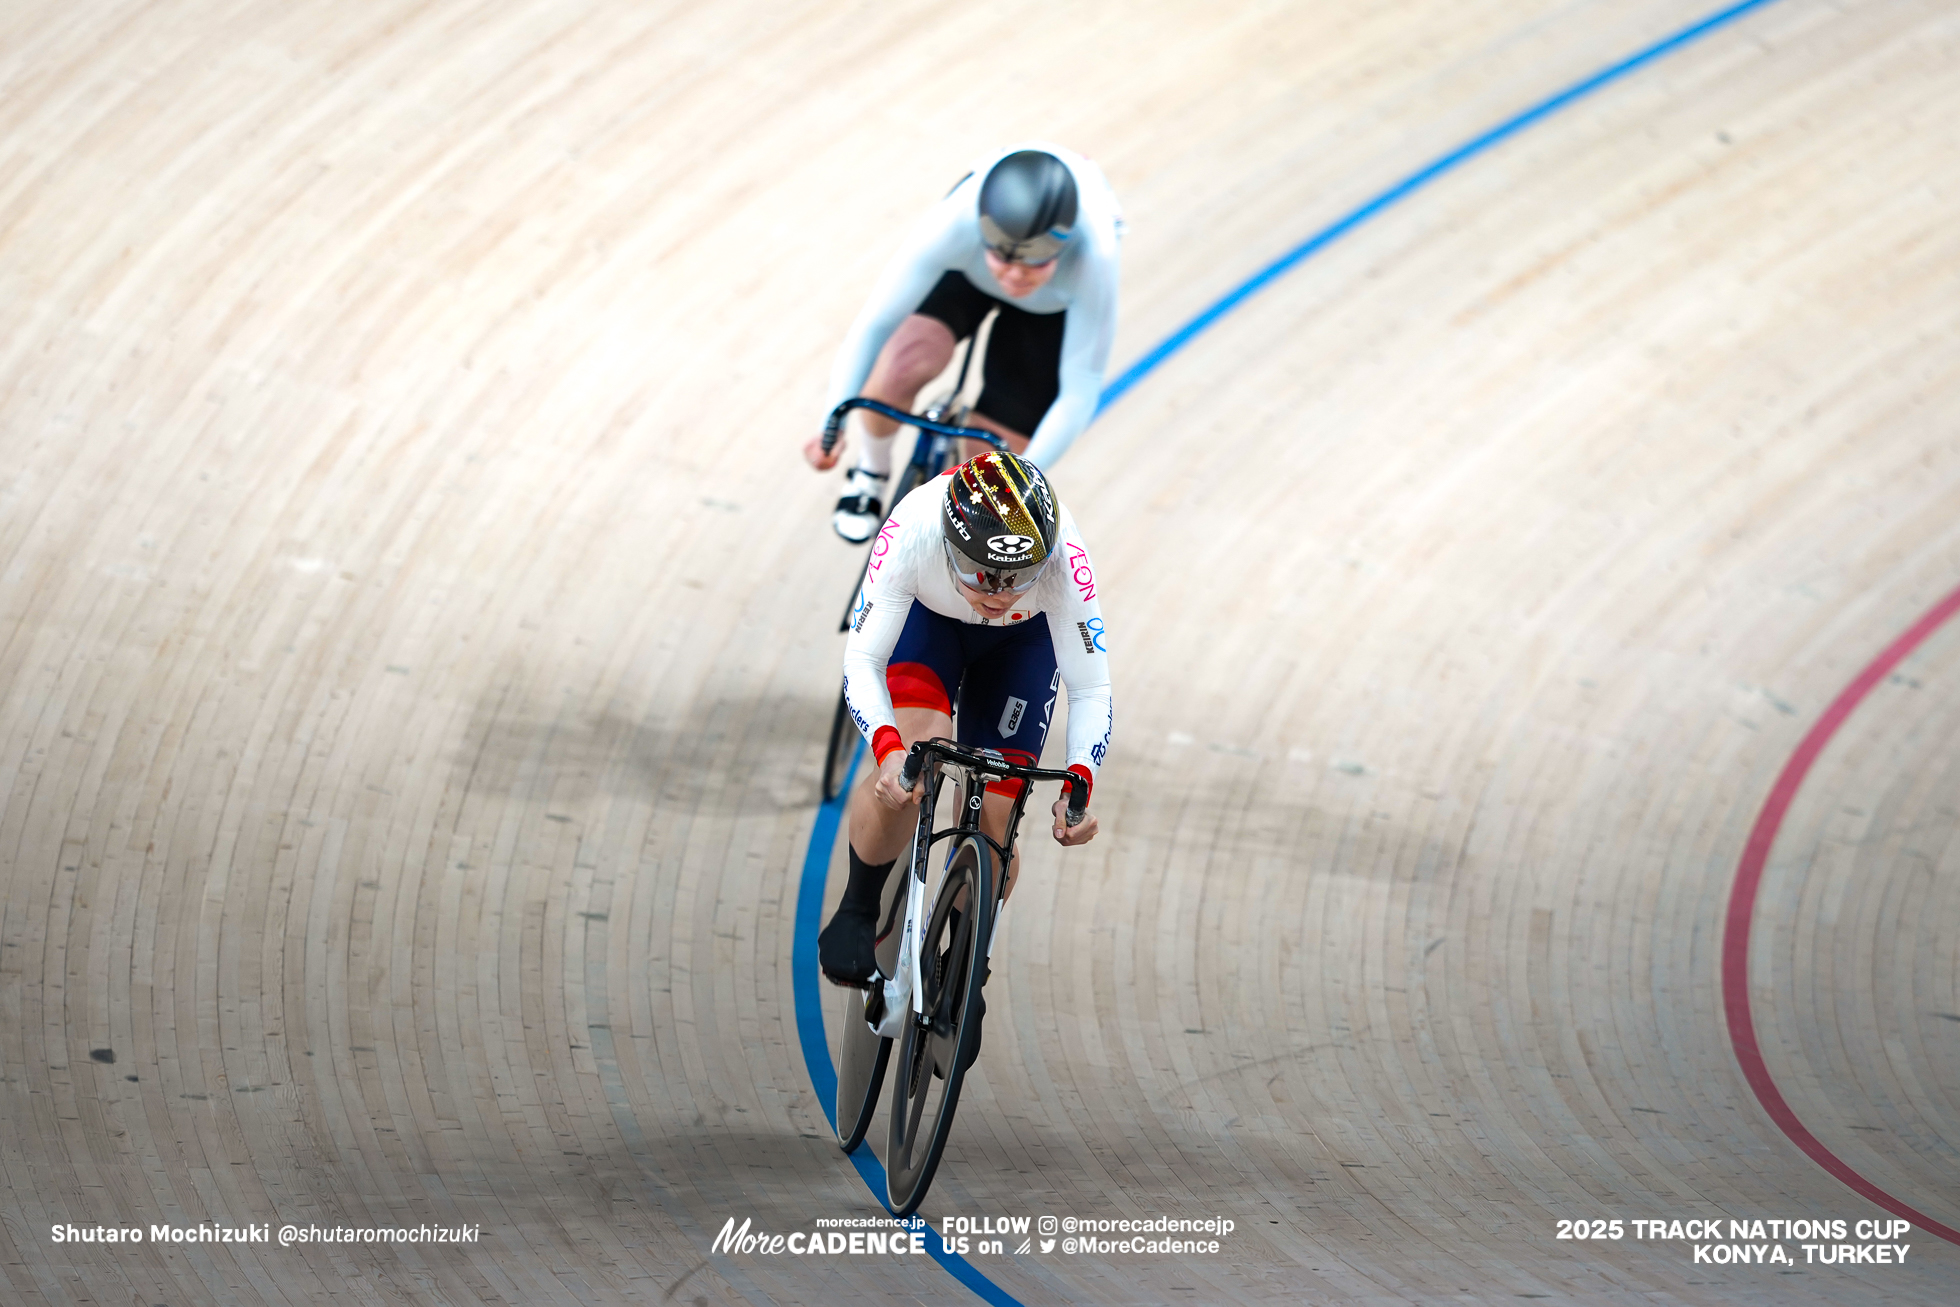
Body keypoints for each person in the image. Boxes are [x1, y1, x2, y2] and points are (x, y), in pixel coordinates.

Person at [818, 449, 1111, 1015]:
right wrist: (885, 750)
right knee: (914, 764)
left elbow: (1093, 689)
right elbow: (862, 661)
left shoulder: (1063, 560)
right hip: (930, 627)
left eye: (1017, 578)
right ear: (952, 546)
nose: (998, 593)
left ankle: (966, 966)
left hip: (1020, 648)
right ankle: (858, 905)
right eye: (981, 573)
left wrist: (1080, 782)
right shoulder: (914, 525)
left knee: (997, 823)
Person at [804, 143, 1122, 542]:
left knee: (989, 462)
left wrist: (1021, 482)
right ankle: (871, 470)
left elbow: (1081, 387)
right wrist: (830, 426)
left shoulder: (1096, 255)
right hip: (966, 272)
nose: (1015, 277)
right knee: (903, 363)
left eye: (1035, 262)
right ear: (984, 231)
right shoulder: (954, 222)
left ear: (1063, 245)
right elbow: (876, 323)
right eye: (1004, 259)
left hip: (1050, 308)